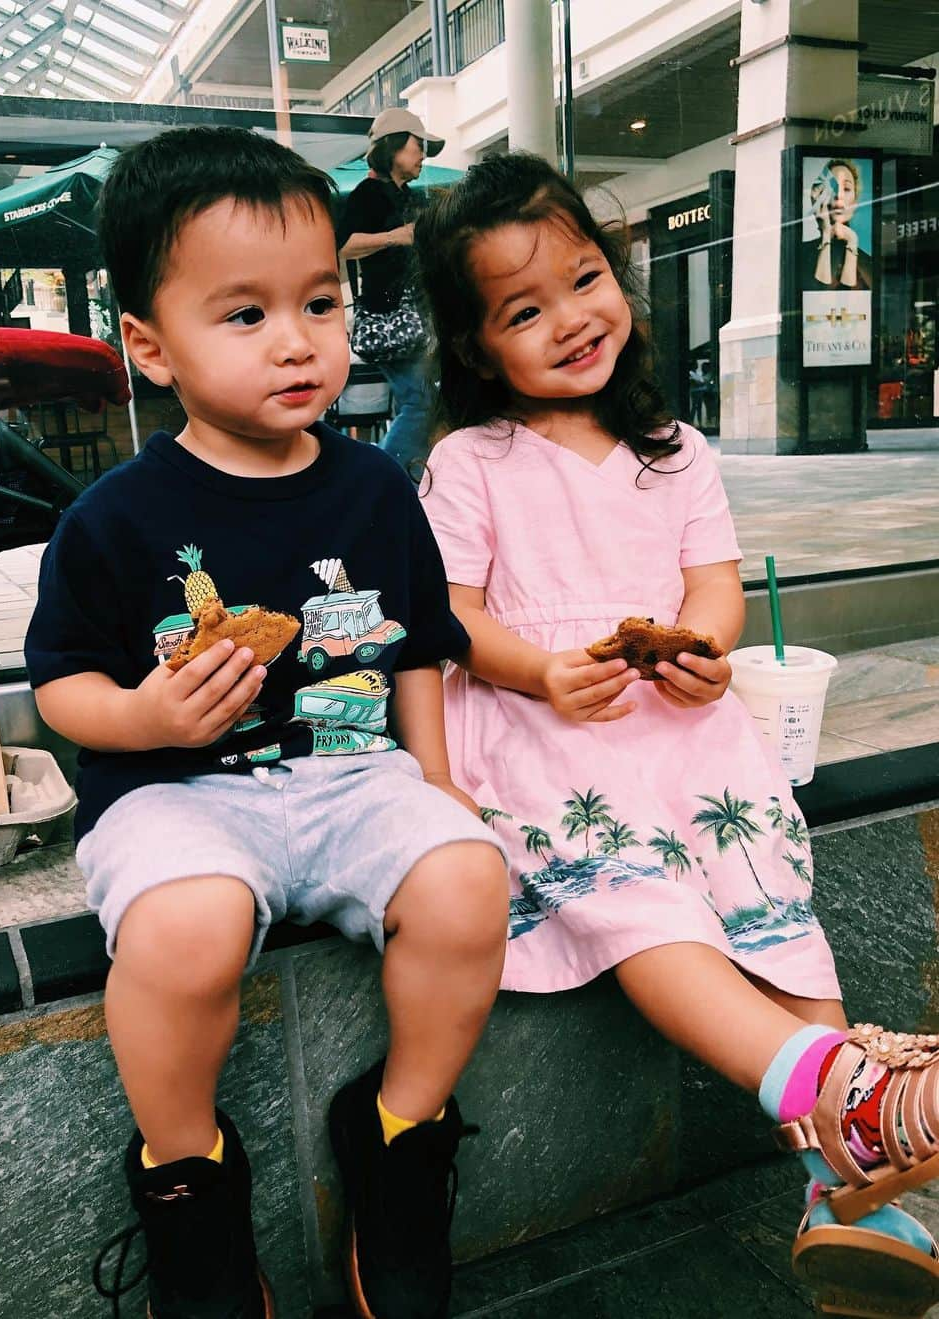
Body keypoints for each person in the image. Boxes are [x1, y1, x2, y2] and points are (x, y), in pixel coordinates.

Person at [415, 151, 939, 1319]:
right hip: (549, 735)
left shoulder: (678, 450)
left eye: (586, 278)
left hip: (682, 736)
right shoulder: (472, 460)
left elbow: (713, 587)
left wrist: (703, 650)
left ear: (621, 276)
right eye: (523, 309)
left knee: (777, 913)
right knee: (642, 904)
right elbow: (450, 615)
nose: (570, 319)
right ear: (473, 346)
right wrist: (540, 670)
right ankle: (849, 1100)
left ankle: (836, 1175)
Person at [24, 125, 509, 1319]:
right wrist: (137, 716)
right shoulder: (115, 517)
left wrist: (438, 781)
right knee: (185, 932)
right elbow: (59, 685)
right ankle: (188, 1181)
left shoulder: (376, 487)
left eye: (321, 302)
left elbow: (419, 650)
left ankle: (401, 1134)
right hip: (176, 793)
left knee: (469, 879)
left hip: (351, 776)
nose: (298, 341)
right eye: (243, 314)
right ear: (149, 343)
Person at [337, 108, 444, 480]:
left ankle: (411, 481)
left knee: (421, 402)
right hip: (391, 316)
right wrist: (397, 236)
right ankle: (384, 480)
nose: (422, 156)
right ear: (394, 146)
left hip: (412, 314)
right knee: (420, 404)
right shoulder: (369, 193)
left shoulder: (404, 196)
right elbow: (343, 245)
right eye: (418, 146)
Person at [803, 158, 872, 292]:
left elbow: (849, 297)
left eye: (846, 189)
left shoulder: (868, 263)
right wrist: (825, 232)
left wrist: (852, 240)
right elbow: (819, 293)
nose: (839, 195)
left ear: (855, 202)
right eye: (832, 187)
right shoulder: (801, 253)